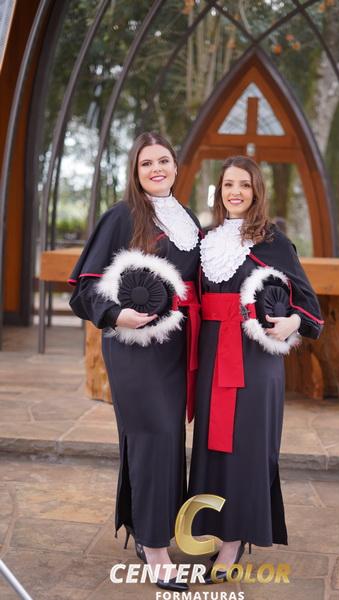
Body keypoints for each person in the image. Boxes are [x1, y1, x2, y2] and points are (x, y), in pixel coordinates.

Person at [68, 132, 201, 592]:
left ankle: (150, 528)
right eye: (147, 163)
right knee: (153, 435)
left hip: (176, 347)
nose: (156, 169)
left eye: (163, 160)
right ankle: (155, 547)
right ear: (135, 171)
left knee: (167, 438)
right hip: (133, 348)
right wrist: (114, 315)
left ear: (176, 166)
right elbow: (84, 288)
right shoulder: (122, 215)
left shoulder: (188, 218)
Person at [188, 155, 324, 584]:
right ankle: (214, 527)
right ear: (219, 191)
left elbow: (309, 306)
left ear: (256, 191)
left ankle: (233, 543)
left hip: (254, 358)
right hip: (213, 353)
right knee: (213, 444)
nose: (236, 192)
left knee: (246, 445)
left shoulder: (274, 242)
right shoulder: (205, 239)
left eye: (244, 185)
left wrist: (292, 323)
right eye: (229, 184)